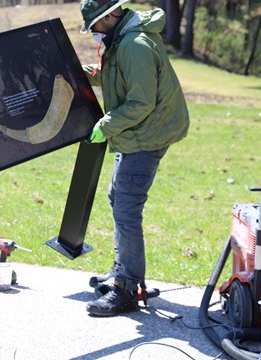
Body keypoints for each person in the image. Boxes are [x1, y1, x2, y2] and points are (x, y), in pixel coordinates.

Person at [78, 0, 190, 317]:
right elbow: (118, 76)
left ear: (111, 15)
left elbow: (140, 102)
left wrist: (105, 126)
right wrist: (84, 73)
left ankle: (126, 289)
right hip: (143, 130)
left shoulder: (135, 44)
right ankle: (123, 271)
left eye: (96, 25)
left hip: (148, 133)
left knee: (126, 206)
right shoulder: (125, 35)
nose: (94, 33)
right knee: (119, 198)